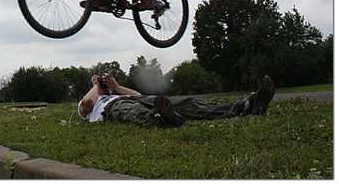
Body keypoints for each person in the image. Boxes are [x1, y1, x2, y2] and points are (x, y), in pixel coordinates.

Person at [78, 73, 275, 127]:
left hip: (137, 101)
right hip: (114, 109)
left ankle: (246, 106)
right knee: (127, 108)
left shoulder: (116, 93)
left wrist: (116, 86)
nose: (103, 85)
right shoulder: (97, 101)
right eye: (100, 84)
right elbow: (87, 105)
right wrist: (95, 85)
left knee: (186, 103)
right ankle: (160, 119)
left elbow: (140, 97)